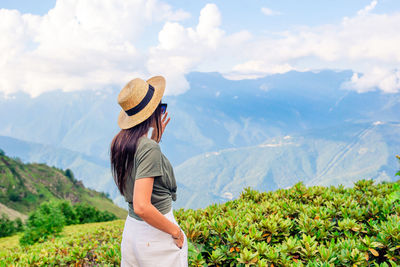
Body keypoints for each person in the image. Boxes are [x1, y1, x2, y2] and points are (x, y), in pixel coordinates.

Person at [110, 76, 188, 266]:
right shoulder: (148, 149)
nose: (163, 113)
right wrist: (176, 232)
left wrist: (154, 141)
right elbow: (142, 206)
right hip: (155, 235)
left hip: (132, 233)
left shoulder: (120, 142)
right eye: (161, 108)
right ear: (152, 113)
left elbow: (137, 175)